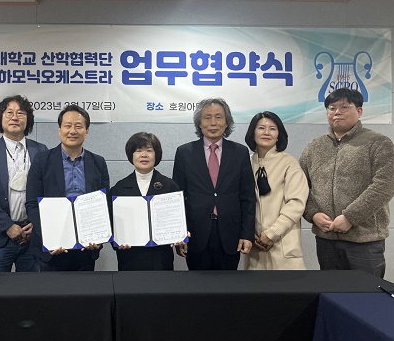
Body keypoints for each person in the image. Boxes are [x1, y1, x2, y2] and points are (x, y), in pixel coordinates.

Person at [299, 88, 394, 278]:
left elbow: (386, 184)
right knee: (332, 291)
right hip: (326, 238)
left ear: (359, 111)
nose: (337, 112)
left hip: (365, 240)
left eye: (344, 107)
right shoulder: (314, 147)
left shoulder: (378, 143)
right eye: (332, 108)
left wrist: (350, 217)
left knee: (366, 293)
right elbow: (300, 186)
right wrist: (312, 214)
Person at [172, 98, 255, 270]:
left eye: (218, 117)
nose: (213, 123)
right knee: (197, 284)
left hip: (230, 234)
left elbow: (247, 197)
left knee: (228, 284)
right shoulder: (184, 153)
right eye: (207, 117)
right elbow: (177, 198)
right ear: (199, 123)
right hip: (196, 233)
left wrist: (247, 234)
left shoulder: (240, 153)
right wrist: (179, 234)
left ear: (227, 122)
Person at [26, 104, 109, 271]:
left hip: (86, 249)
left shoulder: (98, 162)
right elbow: (32, 204)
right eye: (67, 126)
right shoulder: (42, 161)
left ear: (87, 131)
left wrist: (99, 237)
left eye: (78, 126)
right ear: (59, 130)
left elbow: (104, 204)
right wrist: (50, 238)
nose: (72, 131)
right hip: (51, 251)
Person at [0, 95, 47, 272]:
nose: (15, 117)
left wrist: (36, 223)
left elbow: (47, 191)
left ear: (28, 119)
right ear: (0, 118)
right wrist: (7, 225)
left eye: (20, 113)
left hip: (32, 236)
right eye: (9, 113)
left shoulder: (41, 150)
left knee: (32, 287)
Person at [243, 112, 308, 270]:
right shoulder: (245, 163)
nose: (266, 132)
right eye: (261, 128)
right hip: (255, 248)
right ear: (252, 133)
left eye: (272, 128)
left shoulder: (289, 163)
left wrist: (272, 233)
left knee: (287, 285)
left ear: (279, 135)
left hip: (283, 244)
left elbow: (296, 203)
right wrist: (248, 233)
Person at [112, 132, 183, 271]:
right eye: (138, 151)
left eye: (149, 150)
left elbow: (178, 221)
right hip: (130, 259)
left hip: (161, 259)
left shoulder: (170, 186)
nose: (144, 155)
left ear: (156, 155)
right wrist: (117, 242)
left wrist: (180, 235)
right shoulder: (118, 189)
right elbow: (112, 224)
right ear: (131, 155)